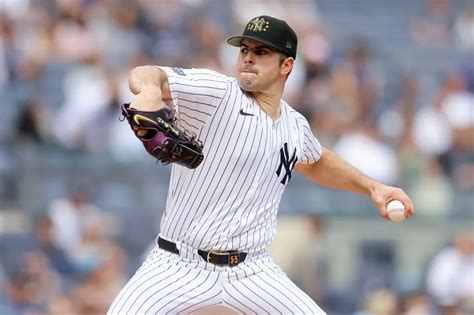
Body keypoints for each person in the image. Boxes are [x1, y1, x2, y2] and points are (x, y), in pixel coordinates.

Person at [107, 15, 414, 314]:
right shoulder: (218, 93)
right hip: (178, 264)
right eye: (244, 50)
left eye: (261, 51)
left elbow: (317, 161)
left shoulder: (294, 125)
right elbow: (147, 73)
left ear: (287, 65)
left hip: (251, 271)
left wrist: (374, 187)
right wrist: (148, 92)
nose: (248, 58)